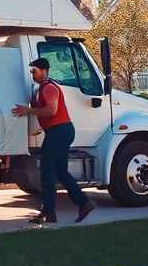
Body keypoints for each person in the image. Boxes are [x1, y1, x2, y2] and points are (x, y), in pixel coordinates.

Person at [12, 57, 97, 224]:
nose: (32, 74)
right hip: (58, 132)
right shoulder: (42, 88)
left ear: (44, 71)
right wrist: (40, 128)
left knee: (46, 172)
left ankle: (50, 212)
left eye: (34, 71)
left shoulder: (49, 88)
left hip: (60, 132)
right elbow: (48, 114)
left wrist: (27, 110)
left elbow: (51, 111)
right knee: (60, 172)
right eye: (31, 71)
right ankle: (83, 204)